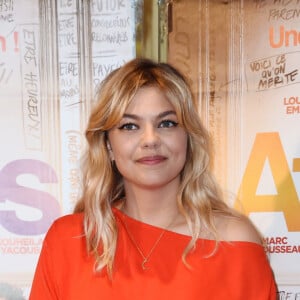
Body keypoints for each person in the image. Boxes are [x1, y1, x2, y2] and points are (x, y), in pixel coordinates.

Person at [29, 58, 277, 299]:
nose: (150, 140)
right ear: (107, 146)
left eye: (166, 123)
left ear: (188, 137)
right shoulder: (69, 241)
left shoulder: (235, 243)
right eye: (129, 126)